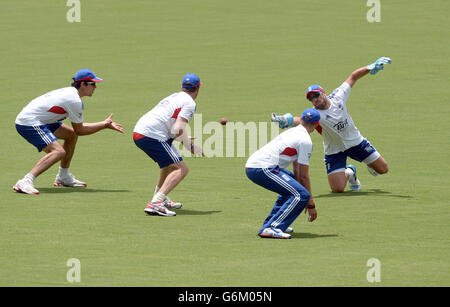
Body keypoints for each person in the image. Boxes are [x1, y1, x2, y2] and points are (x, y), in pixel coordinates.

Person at [272, 57, 391, 193]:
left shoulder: (338, 96)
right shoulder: (316, 114)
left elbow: (353, 77)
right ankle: (350, 172)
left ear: (323, 93)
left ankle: (371, 164)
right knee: (337, 189)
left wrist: (370, 68)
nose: (315, 100)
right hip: (334, 150)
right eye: (311, 99)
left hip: (356, 142)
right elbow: (301, 120)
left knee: (383, 169)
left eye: (316, 95)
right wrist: (286, 120)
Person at [13, 69, 124, 195]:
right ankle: (25, 181)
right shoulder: (74, 100)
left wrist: (104, 124)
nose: (95, 87)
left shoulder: (71, 94)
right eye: (92, 84)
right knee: (58, 152)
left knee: (71, 135)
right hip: (29, 123)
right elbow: (80, 130)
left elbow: (77, 129)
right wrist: (104, 125)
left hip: (42, 120)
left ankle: (63, 177)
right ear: (83, 84)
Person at [133, 73, 204, 217]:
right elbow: (177, 128)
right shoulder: (190, 103)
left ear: (182, 87)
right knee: (181, 169)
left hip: (141, 130)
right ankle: (156, 203)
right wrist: (190, 145)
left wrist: (180, 137)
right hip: (151, 135)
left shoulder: (175, 96)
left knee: (167, 165)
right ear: (197, 89)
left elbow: (171, 126)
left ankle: (159, 197)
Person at [245, 108, 320, 239]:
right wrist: (310, 203)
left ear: (301, 119)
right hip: (262, 168)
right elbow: (304, 175)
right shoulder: (305, 140)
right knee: (301, 194)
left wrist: (300, 188)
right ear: (316, 125)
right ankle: (273, 227)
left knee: (295, 187)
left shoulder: (293, 131)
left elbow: (298, 172)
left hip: (255, 166)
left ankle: (274, 223)